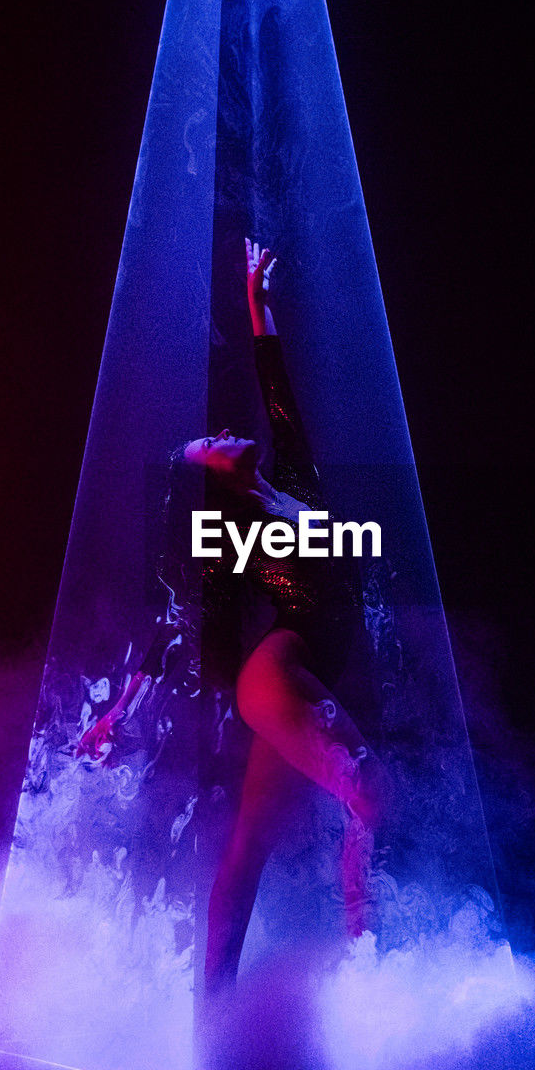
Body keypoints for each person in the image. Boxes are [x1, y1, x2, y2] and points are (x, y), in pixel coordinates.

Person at [82, 239, 379, 995]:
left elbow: (279, 391)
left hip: (303, 672)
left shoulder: (296, 483)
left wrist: (256, 298)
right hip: (276, 675)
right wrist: (119, 711)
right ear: (207, 477)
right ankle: (368, 968)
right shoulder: (230, 540)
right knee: (372, 799)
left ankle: (212, 1008)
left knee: (249, 851)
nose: (225, 435)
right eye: (210, 444)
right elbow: (176, 628)